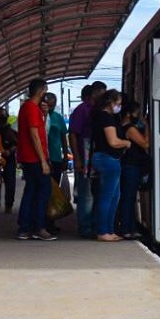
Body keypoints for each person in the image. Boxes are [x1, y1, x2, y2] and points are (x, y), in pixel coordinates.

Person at [15, 78, 57, 241]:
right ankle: (38, 227)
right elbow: (35, 136)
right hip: (34, 158)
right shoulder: (31, 108)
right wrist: (43, 161)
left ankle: (25, 228)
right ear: (41, 91)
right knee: (42, 192)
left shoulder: (29, 108)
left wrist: (44, 114)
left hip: (28, 157)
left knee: (31, 191)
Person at [90, 89, 132, 242]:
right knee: (108, 196)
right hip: (108, 159)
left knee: (114, 196)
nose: (118, 107)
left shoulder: (100, 116)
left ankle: (109, 230)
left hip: (105, 159)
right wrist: (127, 142)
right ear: (110, 103)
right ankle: (103, 231)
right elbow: (113, 142)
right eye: (118, 104)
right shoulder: (106, 118)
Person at [67, 81, 106, 238]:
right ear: (94, 93)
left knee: (97, 194)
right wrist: (77, 158)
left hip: (97, 159)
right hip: (84, 159)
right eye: (101, 93)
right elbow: (73, 134)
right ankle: (85, 228)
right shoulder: (82, 110)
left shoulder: (99, 111)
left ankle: (95, 225)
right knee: (86, 195)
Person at [117, 100, 149, 239]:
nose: (139, 117)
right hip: (131, 166)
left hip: (129, 165)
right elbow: (145, 143)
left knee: (128, 198)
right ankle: (126, 228)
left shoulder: (122, 126)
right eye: (137, 113)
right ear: (129, 114)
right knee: (128, 198)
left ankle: (129, 227)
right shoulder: (130, 128)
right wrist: (148, 126)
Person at [0, 107, 18, 213]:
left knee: (10, 185)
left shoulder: (12, 131)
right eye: (0, 115)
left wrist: (9, 151)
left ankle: (8, 205)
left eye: (3, 115)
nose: (1, 117)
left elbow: (17, 144)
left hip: (9, 160)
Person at [43, 92, 69, 184]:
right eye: (49, 105)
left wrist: (65, 157)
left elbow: (63, 138)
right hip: (41, 158)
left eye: (52, 105)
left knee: (55, 186)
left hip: (55, 158)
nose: (50, 107)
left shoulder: (58, 118)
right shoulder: (38, 116)